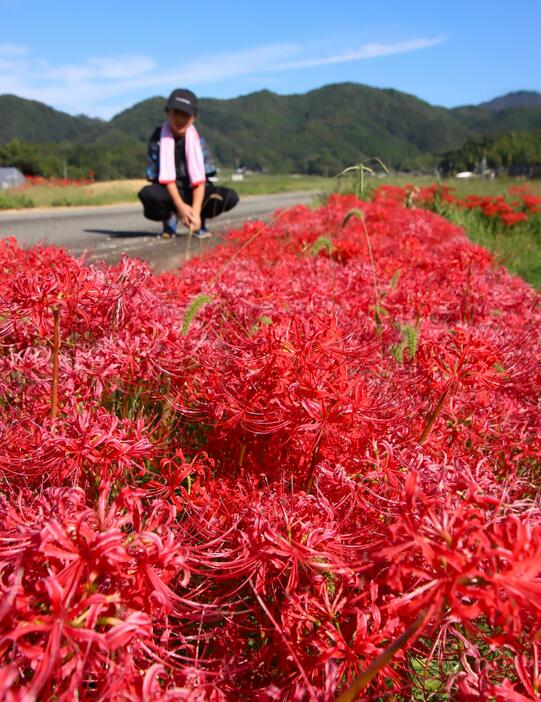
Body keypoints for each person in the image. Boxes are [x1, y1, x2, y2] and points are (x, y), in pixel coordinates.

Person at [138, 88, 239, 239]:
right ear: (168, 112)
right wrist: (180, 207)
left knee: (230, 197)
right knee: (148, 194)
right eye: (176, 113)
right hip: (170, 193)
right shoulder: (158, 139)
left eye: (185, 115)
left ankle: (199, 222)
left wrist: (196, 212)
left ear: (193, 117)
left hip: (193, 193)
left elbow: (201, 180)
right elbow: (161, 177)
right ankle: (170, 218)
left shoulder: (197, 140)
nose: (180, 119)